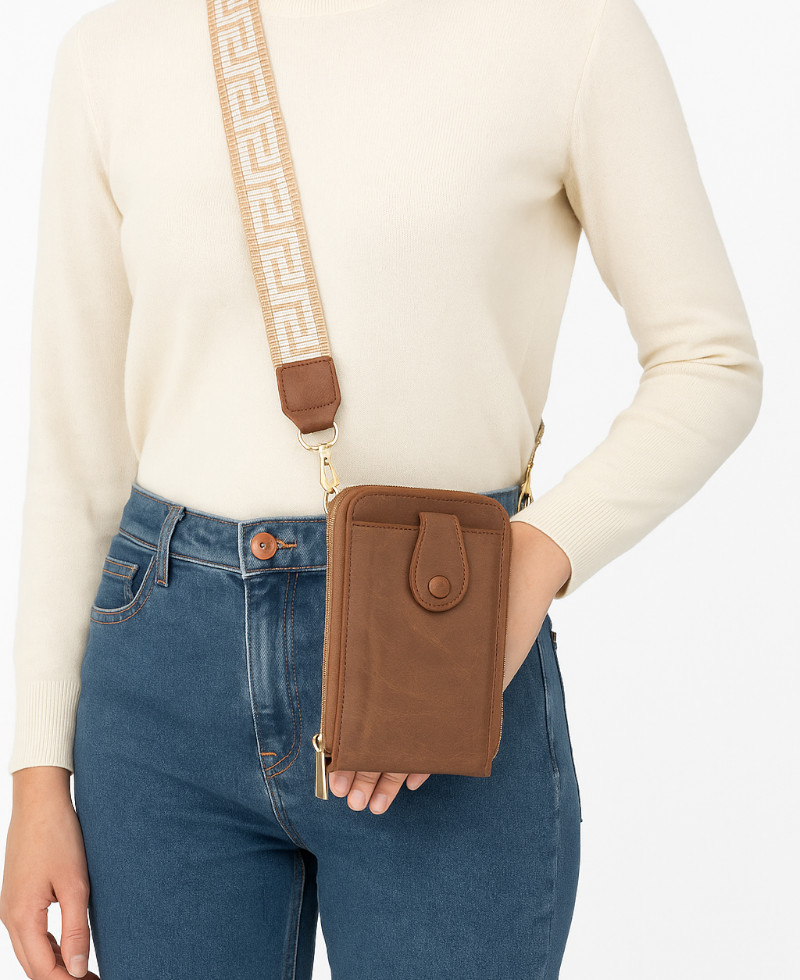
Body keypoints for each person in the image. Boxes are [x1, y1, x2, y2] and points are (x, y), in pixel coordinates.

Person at [0, 0, 763, 977]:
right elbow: (76, 454)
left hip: (442, 637)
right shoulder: (116, 50)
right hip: (162, 686)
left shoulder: (569, 31)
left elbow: (709, 363)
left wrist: (530, 561)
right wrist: (37, 774)